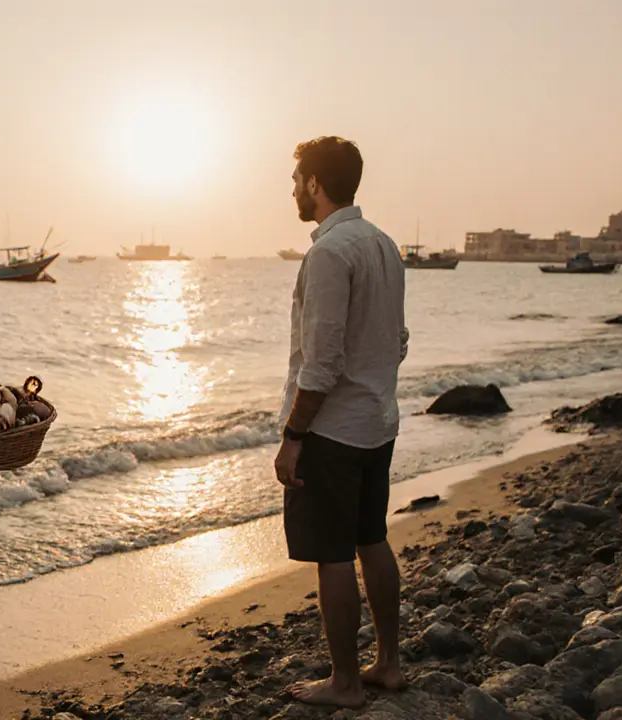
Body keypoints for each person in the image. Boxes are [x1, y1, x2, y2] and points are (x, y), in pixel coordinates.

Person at [274, 137, 410, 709]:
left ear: (314, 184)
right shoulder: (383, 244)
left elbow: (321, 364)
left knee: (334, 554)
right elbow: (396, 341)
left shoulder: (329, 254)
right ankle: (388, 664)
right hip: (377, 422)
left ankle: (346, 683)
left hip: (331, 433)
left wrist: (293, 437)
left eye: (297, 178)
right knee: (370, 537)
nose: (293, 189)